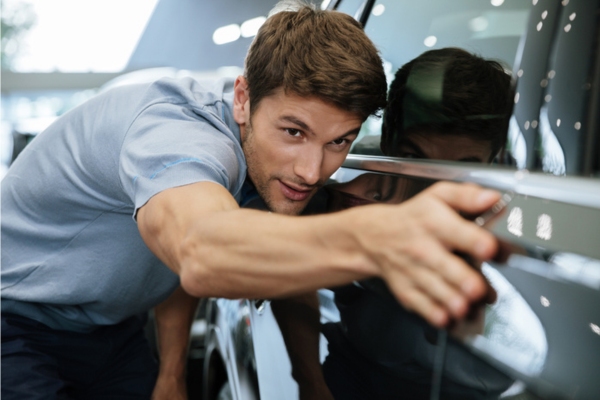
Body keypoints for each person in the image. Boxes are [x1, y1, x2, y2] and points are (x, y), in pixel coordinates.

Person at [1, 1, 502, 397]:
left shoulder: (262, 156)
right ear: (242, 98)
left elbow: (183, 257)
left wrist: (181, 375)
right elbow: (198, 247)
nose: (312, 171)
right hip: (15, 319)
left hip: (110, 331)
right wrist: (379, 236)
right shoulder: (176, 131)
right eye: (294, 130)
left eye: (340, 141)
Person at [319, 48, 516, 399]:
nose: (437, 191)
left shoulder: (514, 214)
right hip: (353, 370)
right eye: (415, 161)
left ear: (496, 158)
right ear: (387, 145)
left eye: (464, 169)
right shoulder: (344, 178)